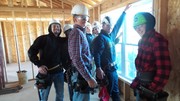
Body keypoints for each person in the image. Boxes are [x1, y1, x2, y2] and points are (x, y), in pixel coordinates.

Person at [92, 4, 131, 101]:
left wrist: (124, 12)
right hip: (107, 71)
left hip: (114, 70)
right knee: (106, 94)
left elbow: (118, 25)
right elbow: (97, 54)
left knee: (115, 92)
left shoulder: (111, 36)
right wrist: (98, 68)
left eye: (111, 26)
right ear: (103, 25)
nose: (110, 27)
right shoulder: (100, 38)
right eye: (108, 25)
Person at [130, 12, 171, 101]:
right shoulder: (141, 41)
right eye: (136, 27)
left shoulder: (157, 40)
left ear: (148, 24)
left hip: (151, 89)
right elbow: (142, 68)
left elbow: (164, 70)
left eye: (141, 25)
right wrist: (136, 83)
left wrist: (151, 90)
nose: (138, 29)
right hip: (141, 86)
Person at [28, 19, 64, 101]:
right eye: (54, 26)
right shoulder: (42, 39)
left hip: (59, 72)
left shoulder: (62, 41)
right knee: (44, 96)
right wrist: (39, 65)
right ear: (50, 28)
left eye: (58, 26)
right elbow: (31, 52)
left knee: (60, 95)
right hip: (45, 73)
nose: (56, 28)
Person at [68, 3, 97, 101]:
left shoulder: (80, 32)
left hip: (81, 72)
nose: (85, 20)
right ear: (75, 19)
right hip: (80, 75)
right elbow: (76, 58)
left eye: (86, 18)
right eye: (82, 18)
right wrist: (88, 78)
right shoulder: (76, 33)